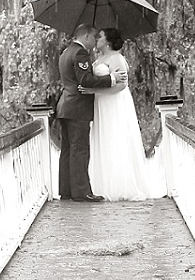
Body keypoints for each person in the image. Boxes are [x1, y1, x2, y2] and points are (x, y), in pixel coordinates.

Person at [80, 28, 166, 201]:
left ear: (109, 41)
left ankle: (122, 185)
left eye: (101, 36)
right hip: (101, 104)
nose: (97, 39)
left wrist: (93, 91)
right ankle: (103, 184)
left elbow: (121, 86)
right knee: (104, 139)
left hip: (114, 103)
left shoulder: (117, 58)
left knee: (116, 139)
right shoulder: (99, 59)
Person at [55, 24, 127, 202]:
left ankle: (66, 190)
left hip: (66, 106)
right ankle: (81, 192)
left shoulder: (66, 52)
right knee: (79, 150)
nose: (94, 41)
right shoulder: (80, 53)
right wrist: (111, 78)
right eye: (93, 37)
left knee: (68, 150)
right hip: (77, 107)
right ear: (85, 36)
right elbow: (85, 80)